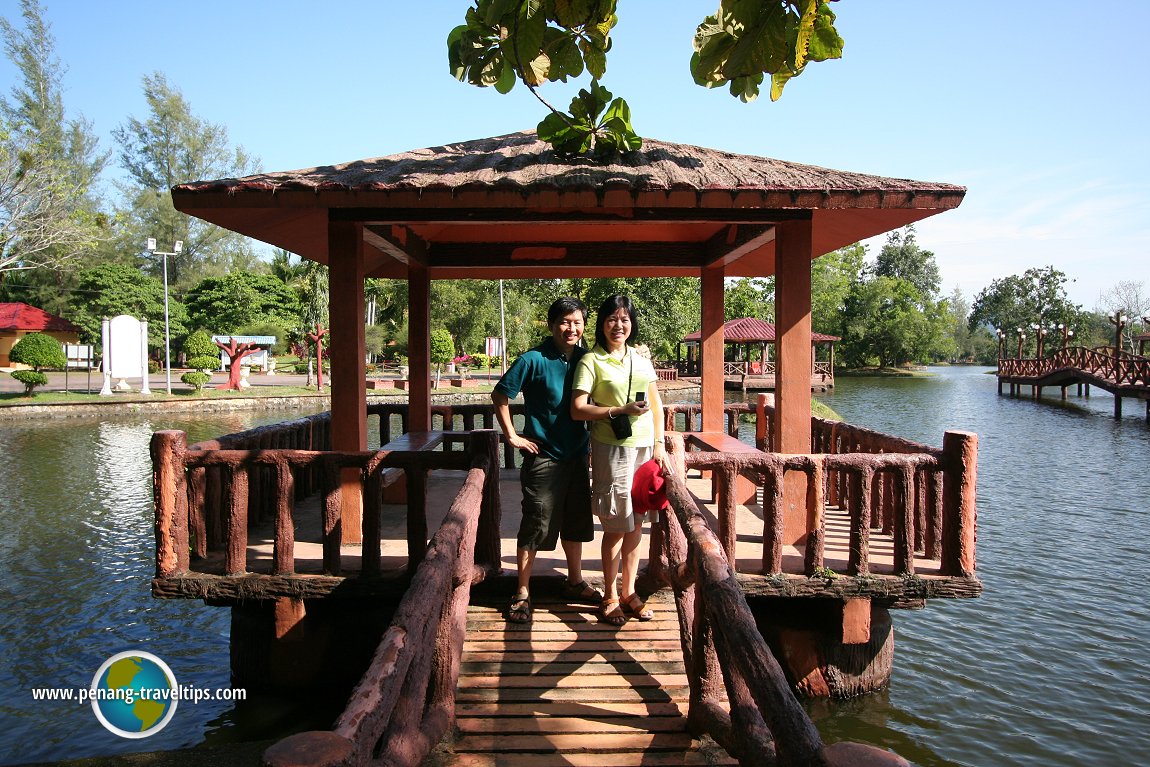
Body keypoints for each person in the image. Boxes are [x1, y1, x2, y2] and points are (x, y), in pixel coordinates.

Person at [492, 297, 602, 624]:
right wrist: (511, 435)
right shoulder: (533, 359)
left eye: (578, 322)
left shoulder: (587, 359)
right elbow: (501, 395)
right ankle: (522, 591)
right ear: (552, 324)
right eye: (565, 322)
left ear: (584, 326)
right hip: (543, 456)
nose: (571, 328)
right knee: (535, 522)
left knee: (577, 520)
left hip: (578, 455)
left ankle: (575, 581)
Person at [571, 295, 668, 626]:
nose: (618, 325)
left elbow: (656, 405)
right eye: (612, 319)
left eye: (624, 319)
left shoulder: (641, 360)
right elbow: (577, 408)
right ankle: (610, 595)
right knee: (616, 525)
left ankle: (630, 593)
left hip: (644, 450)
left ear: (632, 323)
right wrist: (618, 410)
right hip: (611, 448)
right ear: (601, 324)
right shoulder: (591, 361)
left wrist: (659, 443)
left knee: (637, 524)